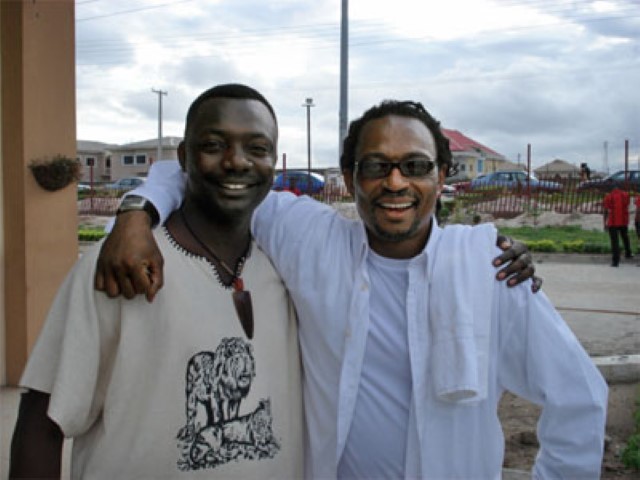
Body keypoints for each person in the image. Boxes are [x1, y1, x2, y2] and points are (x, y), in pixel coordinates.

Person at [94, 99, 607, 478]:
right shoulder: (309, 237)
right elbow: (197, 172)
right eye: (376, 166)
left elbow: (579, 396)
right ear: (350, 176)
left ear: (442, 175)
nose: (396, 182)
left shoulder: (489, 269)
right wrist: (136, 212)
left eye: (416, 166)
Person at [10, 84, 304, 479]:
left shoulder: (287, 266)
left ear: (273, 161)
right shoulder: (122, 267)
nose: (237, 162)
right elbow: (42, 424)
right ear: (184, 157)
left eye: (257, 148)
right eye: (215, 145)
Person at [603, 186, 633, 266]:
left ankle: (615, 261)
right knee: (625, 237)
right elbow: (627, 205)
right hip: (623, 220)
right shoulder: (626, 195)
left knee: (614, 241)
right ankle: (628, 253)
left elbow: (606, 210)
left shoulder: (608, 196)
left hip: (613, 221)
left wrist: (604, 223)